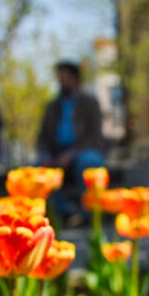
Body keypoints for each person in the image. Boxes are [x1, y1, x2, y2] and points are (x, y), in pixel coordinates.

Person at [37, 61, 105, 217]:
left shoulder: (89, 103)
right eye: (59, 78)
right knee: (36, 171)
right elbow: (41, 138)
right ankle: (64, 211)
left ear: (76, 79)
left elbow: (95, 136)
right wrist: (45, 155)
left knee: (89, 163)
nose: (61, 81)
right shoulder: (52, 106)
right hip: (56, 152)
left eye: (65, 77)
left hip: (84, 150)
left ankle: (91, 214)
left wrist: (72, 154)